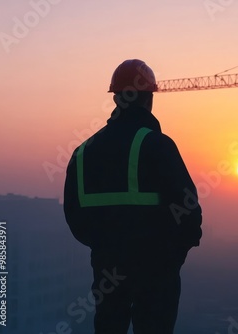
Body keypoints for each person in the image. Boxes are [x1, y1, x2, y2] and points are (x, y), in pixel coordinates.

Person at [63, 59, 202, 334]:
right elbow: (188, 209)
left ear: (116, 98)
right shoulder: (156, 144)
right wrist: (171, 256)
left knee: (108, 326)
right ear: (149, 98)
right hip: (155, 270)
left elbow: (75, 217)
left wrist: (105, 247)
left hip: (107, 269)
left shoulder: (83, 152)